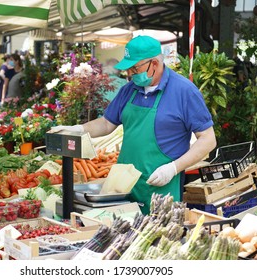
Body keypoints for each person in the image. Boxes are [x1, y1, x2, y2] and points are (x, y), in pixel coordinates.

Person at [50, 36, 216, 214]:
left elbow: (208, 139)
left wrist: (173, 168)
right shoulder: (129, 90)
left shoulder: (184, 91)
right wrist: (80, 129)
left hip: (161, 186)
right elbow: (107, 123)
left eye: (135, 68)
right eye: (129, 69)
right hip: (123, 187)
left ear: (154, 63)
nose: (129, 74)